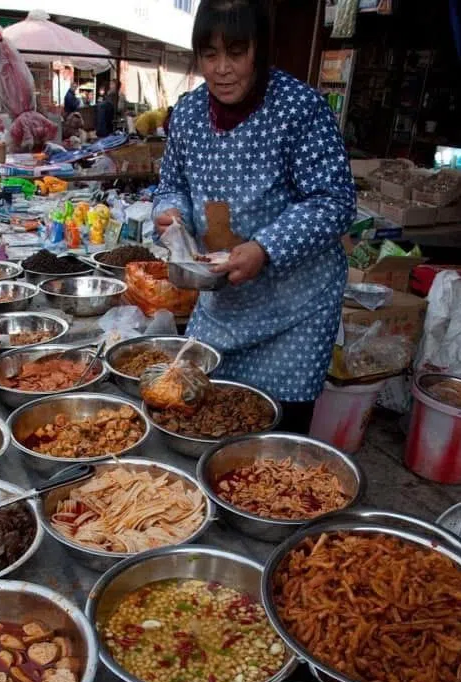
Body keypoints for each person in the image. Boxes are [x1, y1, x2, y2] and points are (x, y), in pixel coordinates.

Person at [153, 0, 356, 434]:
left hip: (295, 309)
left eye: (236, 53)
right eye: (209, 54)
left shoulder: (301, 109)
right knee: (205, 419)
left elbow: (334, 201)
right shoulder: (188, 113)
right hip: (223, 302)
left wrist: (265, 247)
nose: (222, 68)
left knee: (277, 436)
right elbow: (172, 184)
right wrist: (169, 214)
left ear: (259, 51)